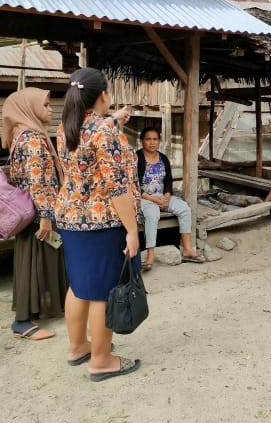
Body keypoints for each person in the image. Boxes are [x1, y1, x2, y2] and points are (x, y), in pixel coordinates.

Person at [55, 68, 141, 381]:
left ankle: (78, 347)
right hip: (103, 222)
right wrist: (131, 230)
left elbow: (92, 140)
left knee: (78, 287)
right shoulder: (106, 135)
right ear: (102, 95)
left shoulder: (66, 127)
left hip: (71, 217)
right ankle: (102, 360)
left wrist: (115, 119)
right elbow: (117, 187)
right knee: (104, 292)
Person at [2, 87, 68, 340]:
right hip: (38, 212)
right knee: (34, 262)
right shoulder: (32, 139)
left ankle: (39, 310)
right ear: (29, 108)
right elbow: (37, 180)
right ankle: (22, 322)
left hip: (29, 210)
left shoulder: (20, 135)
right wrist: (46, 216)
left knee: (38, 259)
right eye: (46, 105)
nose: (51, 109)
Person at [136, 126, 204, 269]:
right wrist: (153, 199)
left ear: (159, 141)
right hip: (144, 198)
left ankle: (187, 249)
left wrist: (166, 196)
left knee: (184, 209)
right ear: (142, 141)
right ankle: (150, 256)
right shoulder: (136, 158)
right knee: (152, 215)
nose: (152, 142)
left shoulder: (163, 158)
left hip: (162, 197)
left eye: (155, 139)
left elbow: (168, 181)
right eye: (148, 139)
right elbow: (133, 185)